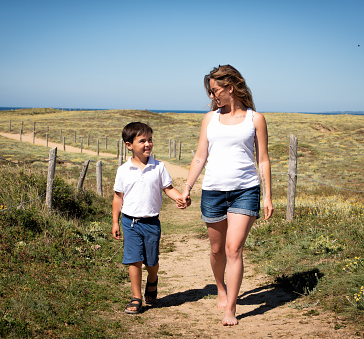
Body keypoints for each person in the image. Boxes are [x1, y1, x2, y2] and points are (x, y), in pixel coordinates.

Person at [180, 65, 274, 326]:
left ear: (230, 88)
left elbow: (263, 160)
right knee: (217, 249)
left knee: (234, 249)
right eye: (210, 92)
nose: (212, 97)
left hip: (245, 190)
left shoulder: (255, 119)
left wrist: (267, 196)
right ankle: (220, 287)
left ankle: (230, 308)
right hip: (213, 191)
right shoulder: (209, 119)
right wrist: (187, 187)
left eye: (214, 91)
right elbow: (201, 155)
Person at [112, 122, 190, 314]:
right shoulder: (123, 170)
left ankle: (153, 279)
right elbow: (118, 197)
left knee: (151, 262)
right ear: (129, 145)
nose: (148, 144)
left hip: (151, 223)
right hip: (130, 222)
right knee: (134, 260)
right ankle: (136, 297)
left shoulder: (159, 167)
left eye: (150, 140)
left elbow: (168, 189)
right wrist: (115, 221)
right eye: (142, 141)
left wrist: (181, 198)